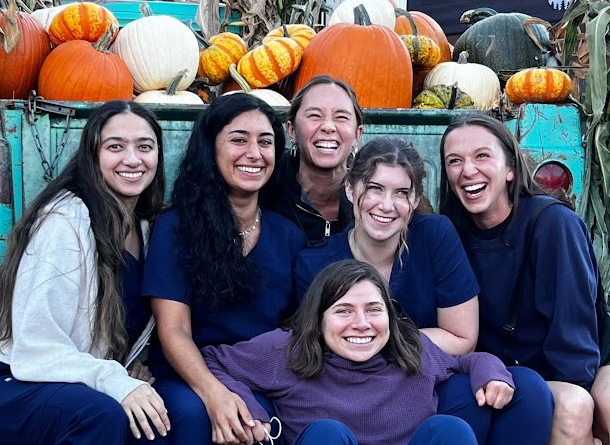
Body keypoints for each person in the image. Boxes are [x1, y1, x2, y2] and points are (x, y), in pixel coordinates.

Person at [294, 135, 553, 444]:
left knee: (526, 391)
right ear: (350, 189)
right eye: (374, 188)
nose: (387, 205)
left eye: (401, 193)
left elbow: (462, 339)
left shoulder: (433, 235)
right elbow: (323, 349)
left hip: (421, 379)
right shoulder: (315, 264)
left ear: (415, 200)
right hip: (351, 395)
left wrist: (380, 336)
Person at [0, 101, 170, 444]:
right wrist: (113, 379)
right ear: (92, 155)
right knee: (101, 415)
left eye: (144, 147)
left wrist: (130, 368)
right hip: (9, 386)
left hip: (73, 388)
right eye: (115, 146)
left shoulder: (146, 229)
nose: (133, 159)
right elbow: (37, 345)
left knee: (153, 424)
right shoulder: (65, 221)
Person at [202, 259, 521, 445]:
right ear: (319, 316)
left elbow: (464, 361)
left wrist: (491, 370)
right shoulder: (287, 350)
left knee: (449, 429)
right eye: (343, 311)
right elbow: (212, 360)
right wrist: (246, 411)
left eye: (373, 310)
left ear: (390, 316)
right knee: (327, 435)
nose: (361, 324)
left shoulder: (410, 347)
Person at [142, 93, 306, 445]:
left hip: (259, 374)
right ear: (211, 149)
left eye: (265, 142)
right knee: (193, 416)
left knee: (274, 423)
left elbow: (295, 329)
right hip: (188, 374)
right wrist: (215, 394)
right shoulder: (177, 226)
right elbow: (174, 330)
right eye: (238, 140)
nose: (254, 153)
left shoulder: (289, 236)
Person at [439, 113, 601, 445]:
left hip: (575, 365)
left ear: (510, 168)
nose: (468, 170)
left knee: (576, 406)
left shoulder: (554, 224)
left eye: (482, 155)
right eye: (455, 161)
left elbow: (575, 338)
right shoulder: (446, 233)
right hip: (498, 370)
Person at [261, 75, 364, 247]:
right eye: (315, 116)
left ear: (357, 134)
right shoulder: (265, 187)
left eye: (341, 117)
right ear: (291, 130)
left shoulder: (372, 193)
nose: (328, 127)